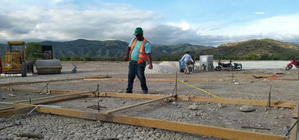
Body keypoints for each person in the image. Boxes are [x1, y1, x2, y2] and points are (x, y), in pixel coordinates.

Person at [125, 27, 153, 94]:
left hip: (140, 63)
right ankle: (129, 90)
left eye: (137, 35)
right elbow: (129, 48)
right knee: (130, 76)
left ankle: (145, 90)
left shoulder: (146, 43)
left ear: (141, 34)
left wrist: (150, 64)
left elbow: (148, 54)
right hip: (132, 62)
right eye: (136, 35)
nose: (136, 36)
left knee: (141, 77)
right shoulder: (133, 40)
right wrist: (126, 56)